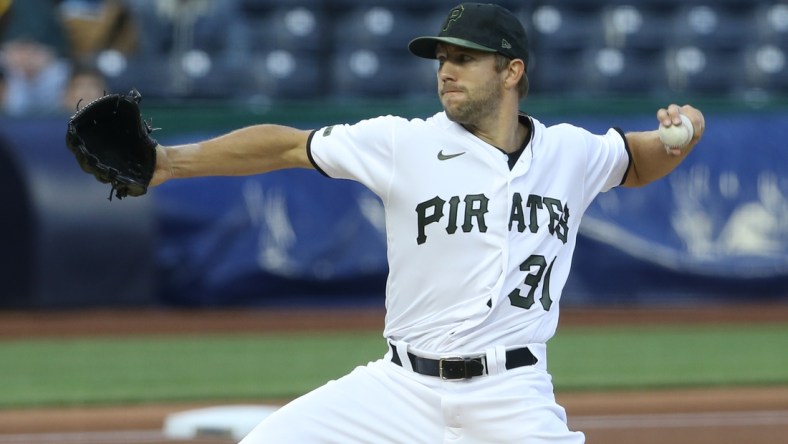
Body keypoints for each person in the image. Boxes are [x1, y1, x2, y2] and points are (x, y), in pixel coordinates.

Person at [150, 3, 706, 443]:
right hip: (399, 388)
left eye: (464, 58)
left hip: (511, 395)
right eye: (442, 59)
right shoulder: (403, 142)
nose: (446, 72)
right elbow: (289, 146)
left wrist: (685, 135)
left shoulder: (570, 152)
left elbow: (636, 159)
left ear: (511, 70)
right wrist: (169, 162)